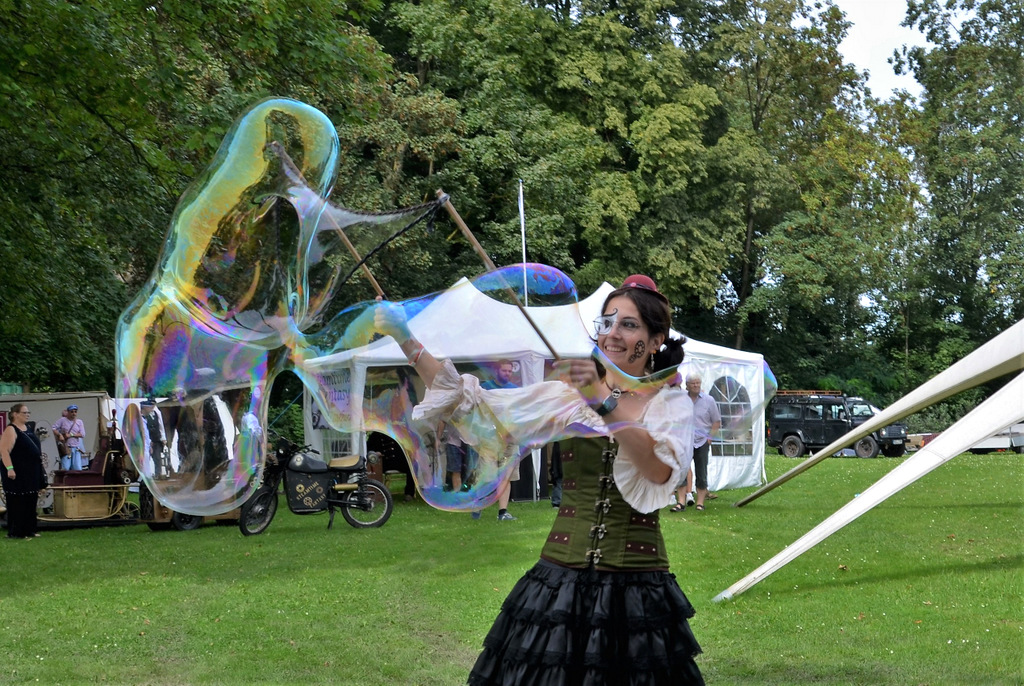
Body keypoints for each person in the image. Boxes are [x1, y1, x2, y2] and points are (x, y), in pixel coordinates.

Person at [376, 273, 704, 685]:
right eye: (607, 323)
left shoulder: (671, 405)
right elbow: (479, 409)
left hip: (636, 588)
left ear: (655, 341)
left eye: (628, 324)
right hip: (560, 583)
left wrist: (603, 403)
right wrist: (404, 337)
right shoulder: (568, 399)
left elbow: (659, 470)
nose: (613, 334)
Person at [480, 360, 519, 521]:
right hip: (490, 439)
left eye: (510, 371)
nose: (507, 373)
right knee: (487, 477)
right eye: (504, 370)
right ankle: (478, 504)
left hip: (510, 438)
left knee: (505, 476)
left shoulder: (515, 390)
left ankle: (503, 512)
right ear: (496, 371)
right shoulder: (485, 388)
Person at [1, 404, 45, 539]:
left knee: (30, 499)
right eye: (24, 412)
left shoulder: (28, 429)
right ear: (15, 414)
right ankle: (17, 531)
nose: (27, 414)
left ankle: (30, 529)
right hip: (18, 472)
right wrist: (10, 468)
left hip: (31, 471)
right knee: (18, 501)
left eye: (28, 412)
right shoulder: (11, 430)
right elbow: (4, 451)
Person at [684, 373, 721, 512]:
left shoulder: (709, 400)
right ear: (687, 385)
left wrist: (710, 438)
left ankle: (700, 503)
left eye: (698, 383)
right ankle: (681, 501)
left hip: (702, 442)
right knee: (682, 471)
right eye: (693, 383)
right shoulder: (682, 400)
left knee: (702, 472)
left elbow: (716, 421)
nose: (696, 385)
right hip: (685, 441)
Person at [53, 404, 87, 471]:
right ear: (68, 412)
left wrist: (71, 435)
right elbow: (53, 428)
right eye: (72, 412)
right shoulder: (62, 420)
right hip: (66, 448)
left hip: (76, 448)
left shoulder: (79, 422)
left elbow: (82, 434)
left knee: (77, 468)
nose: (74, 413)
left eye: (75, 412)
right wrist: (59, 435)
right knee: (65, 467)